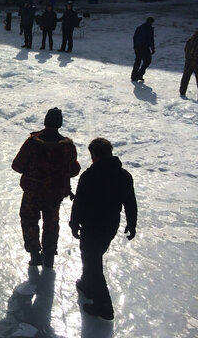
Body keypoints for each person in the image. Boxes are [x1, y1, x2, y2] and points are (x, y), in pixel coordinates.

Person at [69, 138, 137, 320]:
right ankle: (86, 284)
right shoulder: (123, 175)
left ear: (95, 155)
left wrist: (74, 223)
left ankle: (104, 307)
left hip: (92, 226)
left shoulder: (89, 175)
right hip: (110, 226)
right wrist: (132, 223)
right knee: (91, 256)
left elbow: (79, 202)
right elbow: (130, 203)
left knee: (93, 263)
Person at [12, 107, 81, 268]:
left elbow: (17, 165)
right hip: (55, 194)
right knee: (51, 224)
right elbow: (74, 170)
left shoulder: (32, 142)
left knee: (29, 221)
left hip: (32, 193)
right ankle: (49, 257)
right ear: (60, 123)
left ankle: (35, 255)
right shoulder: (67, 146)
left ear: (45, 121)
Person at [131, 17, 156, 82]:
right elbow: (151, 40)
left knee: (138, 61)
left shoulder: (139, 27)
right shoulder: (149, 29)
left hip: (137, 47)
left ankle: (134, 76)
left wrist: (135, 46)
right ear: (151, 22)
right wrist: (152, 49)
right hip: (144, 47)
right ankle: (139, 74)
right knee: (147, 61)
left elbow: (134, 37)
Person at [180, 31, 198, 97]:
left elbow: (186, 49)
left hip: (188, 61)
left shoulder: (190, 40)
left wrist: (187, 57)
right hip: (196, 62)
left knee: (186, 77)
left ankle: (182, 91)